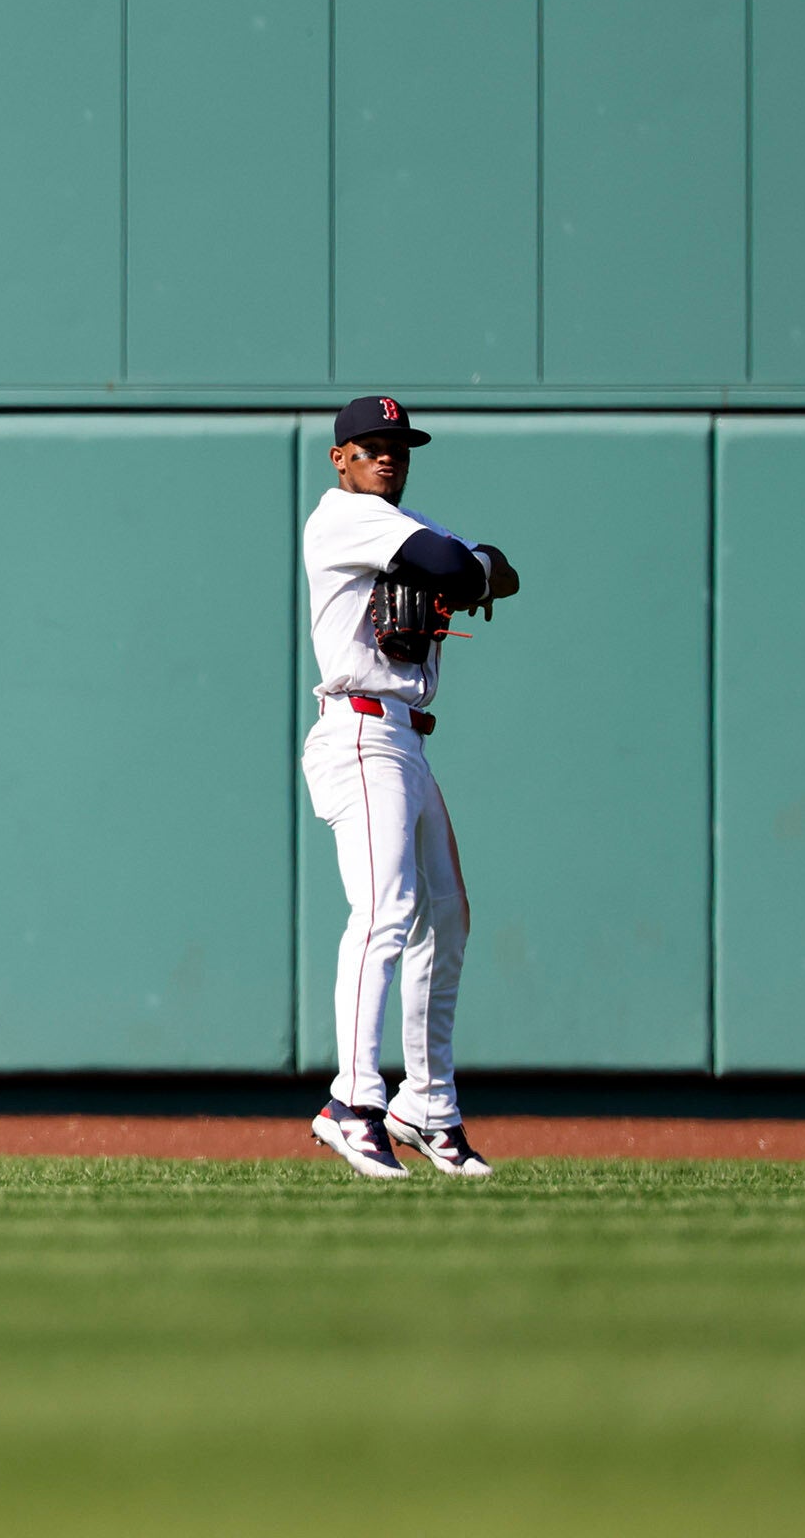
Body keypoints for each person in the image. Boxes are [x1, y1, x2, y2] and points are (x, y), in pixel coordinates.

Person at [300, 396, 520, 1176]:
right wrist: (463, 569)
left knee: (446, 919)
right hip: (361, 733)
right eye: (371, 445)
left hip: (404, 740)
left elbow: (502, 570)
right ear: (340, 458)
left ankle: (426, 1105)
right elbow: (463, 569)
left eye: (399, 444)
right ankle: (351, 1102)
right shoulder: (346, 518)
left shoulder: (402, 525)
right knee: (385, 912)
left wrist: (467, 567)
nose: (388, 455)